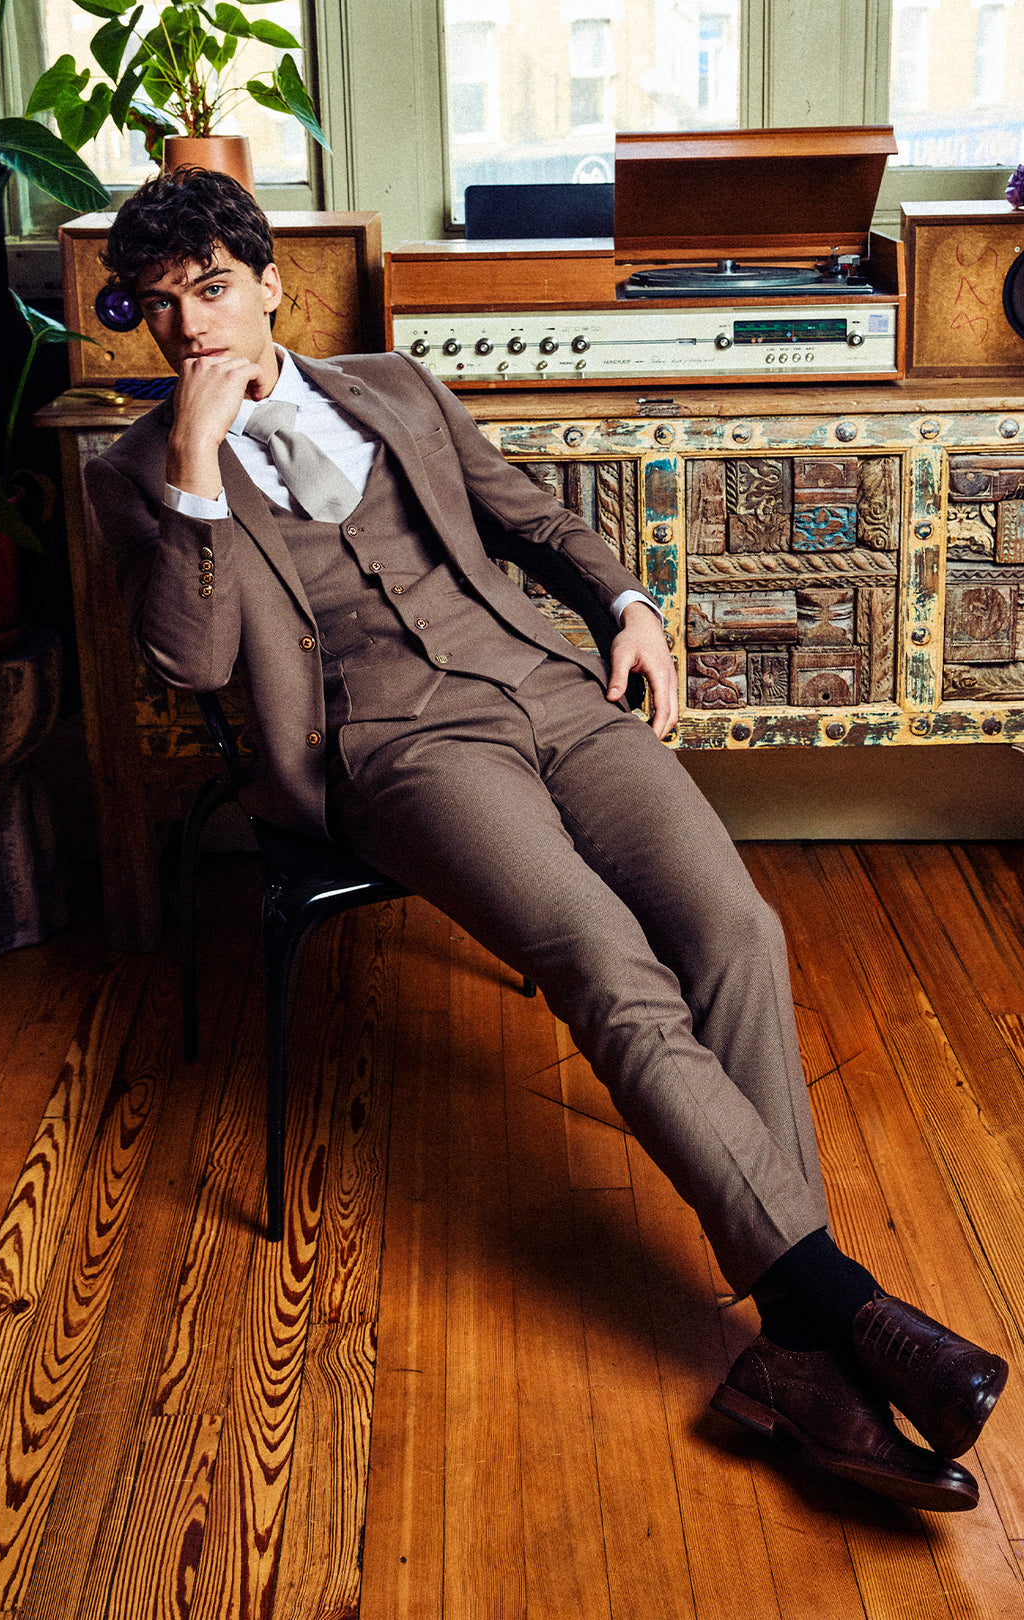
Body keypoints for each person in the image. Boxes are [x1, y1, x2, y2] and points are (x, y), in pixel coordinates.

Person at [85, 166, 1008, 1514]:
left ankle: (797, 1356)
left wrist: (629, 602)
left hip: (547, 690)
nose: (192, 330)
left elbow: (531, 518)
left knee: (740, 930)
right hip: (400, 749)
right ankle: (841, 1306)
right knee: (605, 963)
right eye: (163, 310)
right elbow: (188, 657)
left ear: (273, 281)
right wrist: (193, 468)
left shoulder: (393, 389)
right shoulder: (135, 476)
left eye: (213, 291)